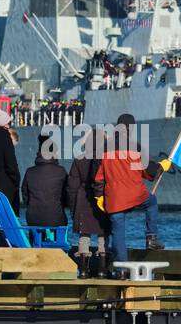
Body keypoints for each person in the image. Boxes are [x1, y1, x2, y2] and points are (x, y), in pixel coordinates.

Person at [92, 113, 165, 274]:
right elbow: (149, 171)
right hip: (136, 194)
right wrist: (161, 167)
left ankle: (122, 270)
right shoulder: (136, 147)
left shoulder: (103, 148)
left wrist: (99, 195)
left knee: (118, 232)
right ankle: (151, 237)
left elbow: (97, 176)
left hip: (114, 198)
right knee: (151, 202)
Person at [66, 149, 110, 278]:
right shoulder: (107, 158)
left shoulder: (80, 159)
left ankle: (84, 269)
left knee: (84, 233)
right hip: (102, 195)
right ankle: (102, 269)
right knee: (103, 232)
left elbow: (72, 185)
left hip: (83, 196)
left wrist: (73, 205)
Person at [21, 133, 68, 246]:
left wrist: (32, 205)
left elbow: (24, 193)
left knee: (37, 223)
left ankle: (35, 247)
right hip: (55, 217)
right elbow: (66, 194)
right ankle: (58, 250)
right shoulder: (61, 171)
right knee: (61, 221)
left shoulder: (29, 171)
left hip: (33, 217)